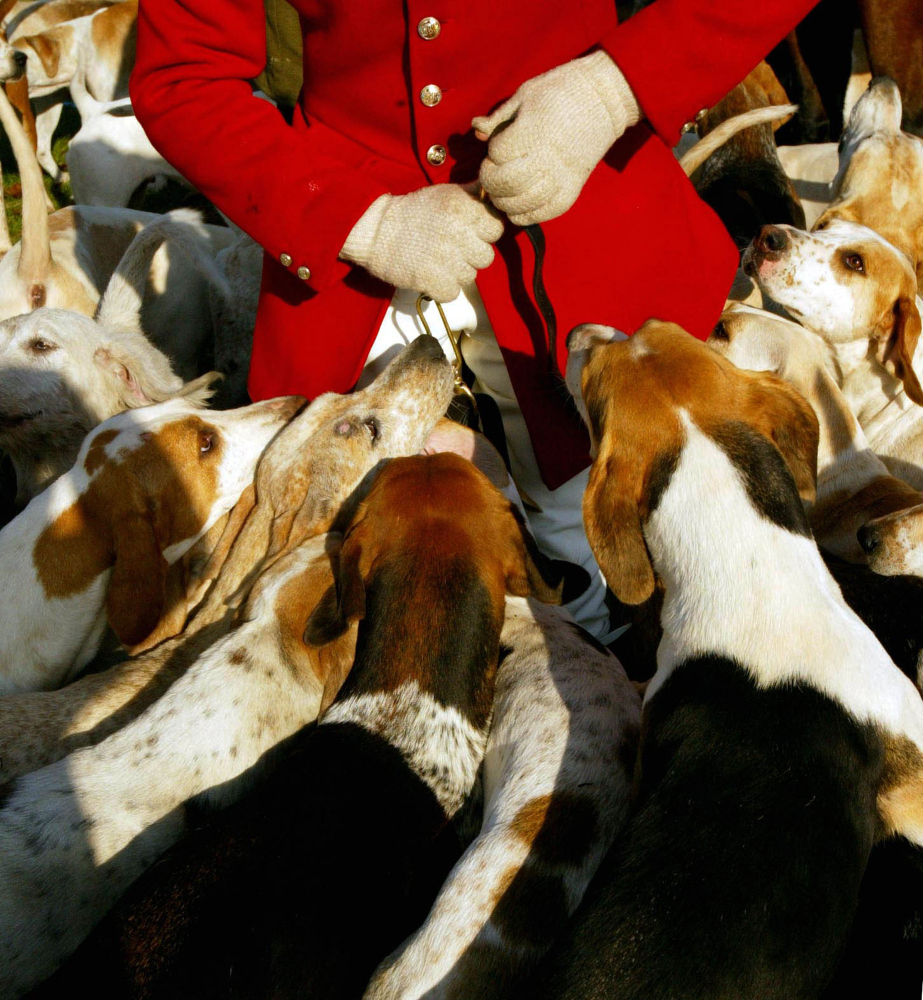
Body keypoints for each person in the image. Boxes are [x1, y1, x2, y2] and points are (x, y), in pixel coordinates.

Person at [131, 0, 818, 640]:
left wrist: (611, 88)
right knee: (322, 589)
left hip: (588, 206)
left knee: (662, 569)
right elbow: (183, 74)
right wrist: (360, 225)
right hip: (350, 246)